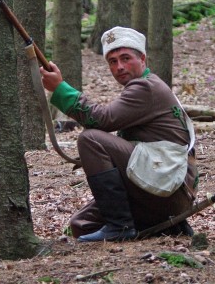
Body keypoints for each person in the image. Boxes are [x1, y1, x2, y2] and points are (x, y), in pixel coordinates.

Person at [40, 26, 199, 242]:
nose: (119, 66)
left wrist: (60, 89)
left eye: (125, 58)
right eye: (112, 61)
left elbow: (101, 119)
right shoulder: (145, 86)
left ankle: (120, 226)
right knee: (81, 225)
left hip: (169, 189)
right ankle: (165, 225)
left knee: (91, 139)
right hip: (162, 186)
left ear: (142, 59)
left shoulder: (145, 88)